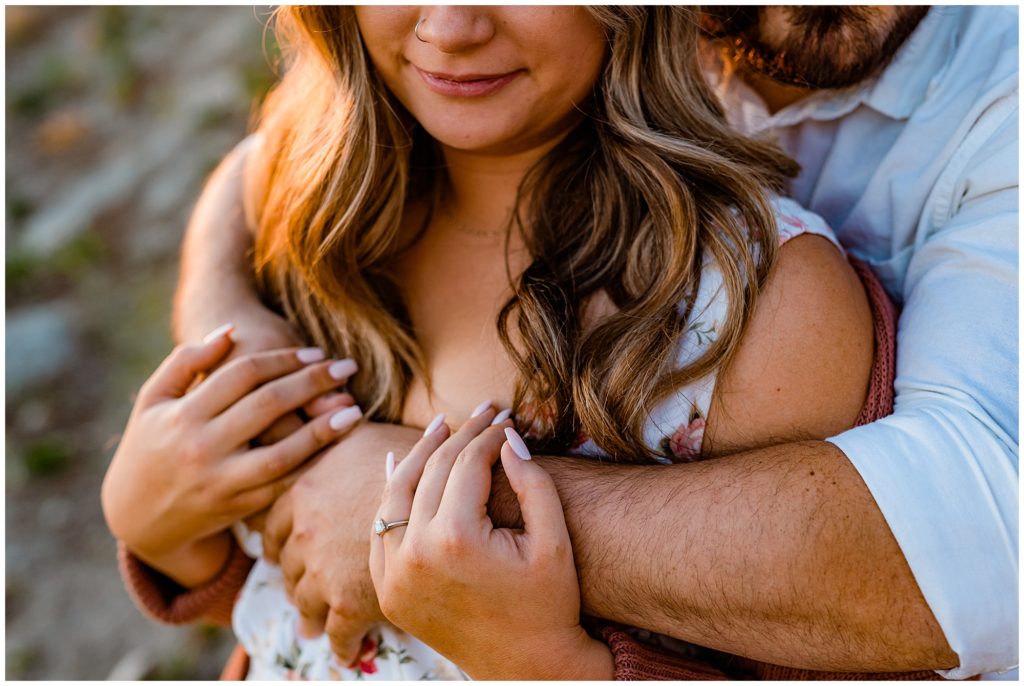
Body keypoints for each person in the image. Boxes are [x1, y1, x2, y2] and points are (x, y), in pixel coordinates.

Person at [117, 4, 1018, 680]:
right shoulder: (335, 200)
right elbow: (305, 607)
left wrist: (458, 535)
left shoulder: (754, 308)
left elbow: (980, 545)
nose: (452, 26)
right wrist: (174, 504)